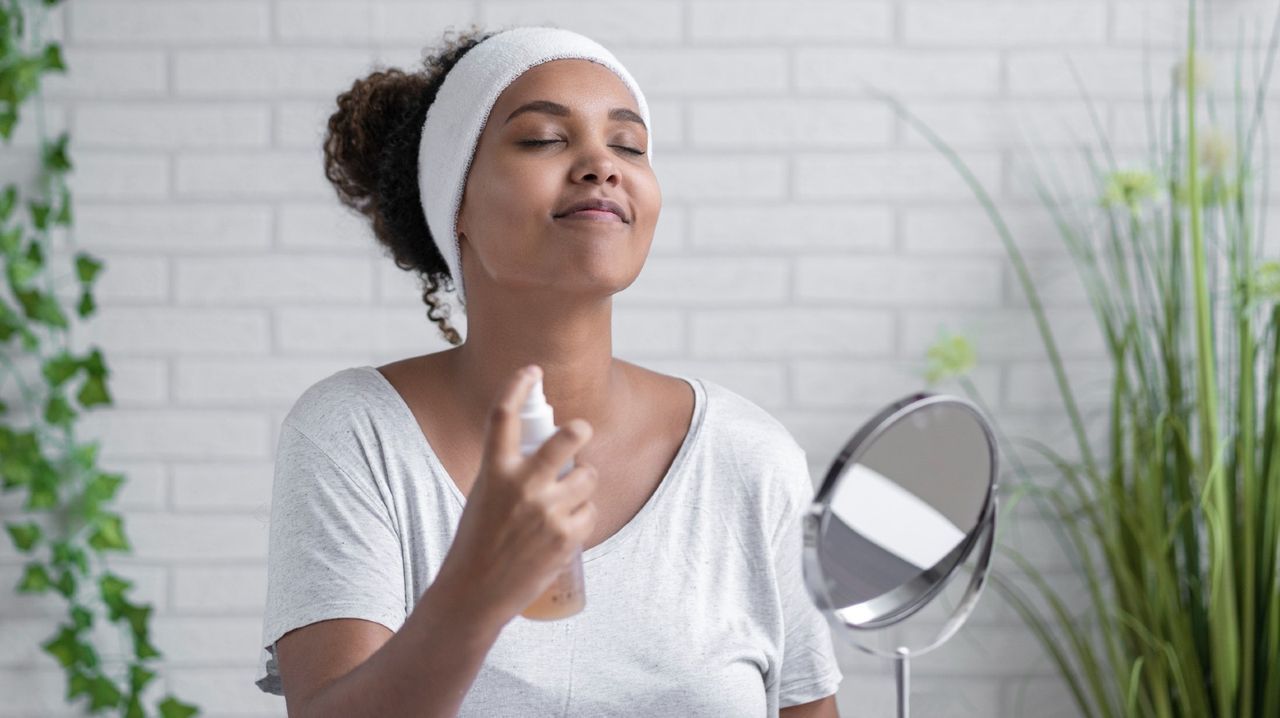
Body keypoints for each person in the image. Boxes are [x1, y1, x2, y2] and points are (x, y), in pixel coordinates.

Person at [253, 24, 843, 717]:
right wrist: (476, 588)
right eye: (542, 138)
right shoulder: (358, 436)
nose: (602, 164)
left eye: (629, 144)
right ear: (456, 202)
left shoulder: (749, 459)